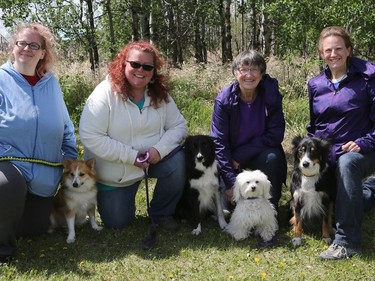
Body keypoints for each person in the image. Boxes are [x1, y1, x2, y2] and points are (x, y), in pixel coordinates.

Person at [79, 41, 186, 232]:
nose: (140, 70)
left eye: (147, 67)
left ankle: (162, 213)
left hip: (152, 161)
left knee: (178, 161)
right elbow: (91, 136)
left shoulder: (160, 95)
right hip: (115, 175)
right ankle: (108, 199)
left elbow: (178, 126)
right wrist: (131, 157)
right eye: (135, 64)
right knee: (117, 222)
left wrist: (158, 151)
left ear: (153, 71)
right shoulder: (103, 94)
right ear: (123, 64)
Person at [0, 23, 78, 264]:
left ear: (43, 52)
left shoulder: (51, 84)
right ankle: (3, 250)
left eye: (34, 45)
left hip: (45, 170)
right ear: (13, 48)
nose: (27, 49)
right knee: (5, 187)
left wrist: (70, 156)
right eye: (21, 43)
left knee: (34, 229)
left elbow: (65, 125)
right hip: (8, 162)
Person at [306, 26, 375, 260]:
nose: (333, 54)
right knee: (339, 205)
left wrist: (363, 142)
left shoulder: (369, 77)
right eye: (328, 50)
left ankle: (347, 242)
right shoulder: (315, 85)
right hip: (330, 152)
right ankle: (370, 191)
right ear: (321, 54)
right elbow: (314, 126)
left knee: (348, 164)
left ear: (349, 50)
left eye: (338, 49)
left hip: (364, 149)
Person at [210, 50, 287, 217]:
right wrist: (231, 183)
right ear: (235, 73)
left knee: (273, 157)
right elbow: (219, 142)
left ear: (262, 73)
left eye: (254, 69)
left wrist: (241, 154)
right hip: (231, 157)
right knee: (230, 207)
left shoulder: (271, 96)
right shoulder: (224, 100)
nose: (248, 75)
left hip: (260, 152)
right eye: (243, 69)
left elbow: (275, 134)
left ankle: (269, 211)